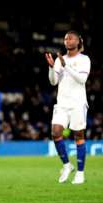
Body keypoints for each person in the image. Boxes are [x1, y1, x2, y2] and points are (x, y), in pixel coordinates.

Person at [45, 30, 91, 184]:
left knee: (78, 135)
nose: (67, 40)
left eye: (70, 38)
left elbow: (82, 79)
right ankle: (67, 165)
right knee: (56, 132)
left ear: (78, 41)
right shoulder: (60, 59)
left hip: (78, 103)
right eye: (65, 38)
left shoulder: (84, 59)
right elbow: (53, 82)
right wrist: (52, 68)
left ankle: (80, 172)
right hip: (62, 104)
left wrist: (67, 67)